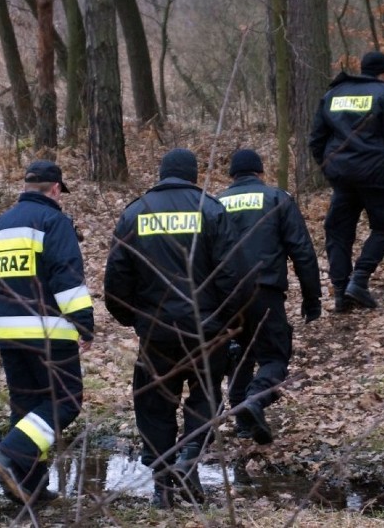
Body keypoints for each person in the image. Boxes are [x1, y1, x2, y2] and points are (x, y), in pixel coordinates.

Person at [103, 148, 247, 508]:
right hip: (207, 327)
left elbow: (116, 279)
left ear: (161, 173)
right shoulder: (212, 210)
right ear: (193, 175)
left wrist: (134, 319)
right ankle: (190, 457)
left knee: (155, 404)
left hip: (156, 331)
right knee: (204, 394)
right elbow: (233, 274)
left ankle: (164, 486)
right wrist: (228, 321)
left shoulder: (136, 213)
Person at [0, 160, 94, 505]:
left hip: (9, 333)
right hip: (49, 332)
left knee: (27, 407)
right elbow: (65, 277)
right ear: (56, 189)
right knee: (66, 401)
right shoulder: (54, 222)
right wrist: (84, 323)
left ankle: (28, 487)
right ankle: (9, 456)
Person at [217, 149, 322, 444]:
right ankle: (255, 399)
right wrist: (311, 298)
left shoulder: (214, 203)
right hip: (265, 290)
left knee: (237, 353)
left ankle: (243, 424)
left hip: (224, 295)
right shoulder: (277, 198)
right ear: (260, 173)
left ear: (232, 176)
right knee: (275, 355)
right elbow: (302, 250)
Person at [308, 51, 384, 311]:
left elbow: (316, 139)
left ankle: (341, 292)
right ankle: (358, 281)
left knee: (338, 232)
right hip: (375, 175)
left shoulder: (334, 94)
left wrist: (330, 168)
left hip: (342, 176)